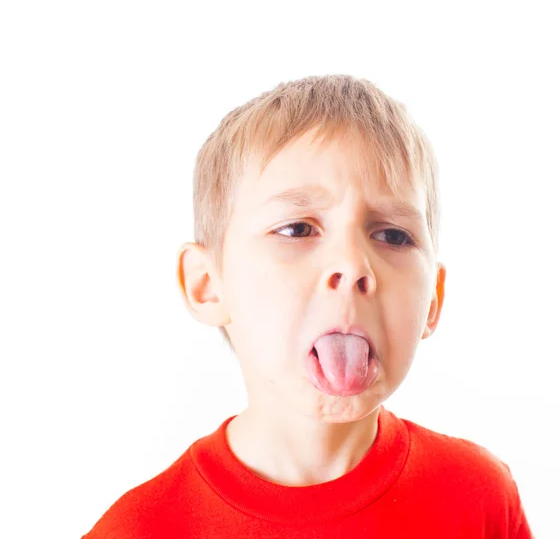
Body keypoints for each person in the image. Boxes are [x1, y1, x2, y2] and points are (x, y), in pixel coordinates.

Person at [82, 74, 533, 538]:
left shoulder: (477, 497)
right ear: (207, 285)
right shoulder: (140, 529)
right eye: (298, 229)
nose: (354, 264)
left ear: (433, 301)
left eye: (393, 235)